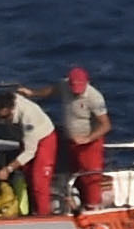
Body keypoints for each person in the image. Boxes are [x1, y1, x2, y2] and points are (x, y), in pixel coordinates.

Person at [46, 66, 111, 208]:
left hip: (90, 144)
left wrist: (88, 138)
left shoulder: (95, 97)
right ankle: (78, 205)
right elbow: (51, 91)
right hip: (72, 142)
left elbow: (105, 125)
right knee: (74, 175)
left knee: (91, 177)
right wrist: (32, 93)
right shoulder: (64, 86)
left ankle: (93, 207)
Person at [0, 86, 59, 215]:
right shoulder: (6, 104)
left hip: (43, 139)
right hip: (25, 138)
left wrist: (8, 169)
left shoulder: (28, 118)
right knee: (27, 176)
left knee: (38, 180)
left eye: (5, 117)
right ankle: (30, 211)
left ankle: (43, 216)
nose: (3, 120)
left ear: (12, 110)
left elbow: (30, 152)